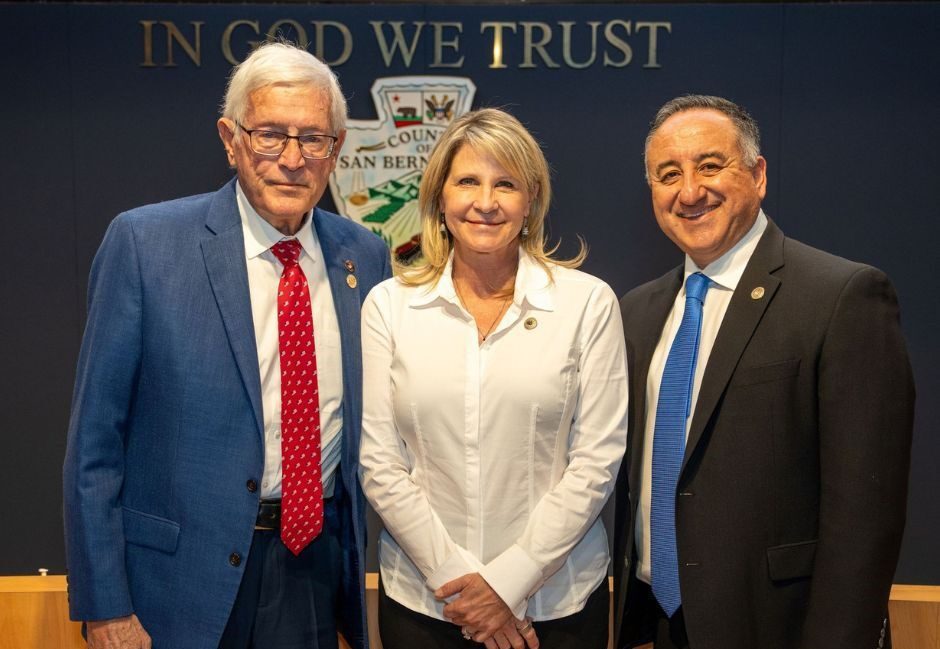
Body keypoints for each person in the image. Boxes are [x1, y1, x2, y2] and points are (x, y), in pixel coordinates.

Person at [62, 42, 391, 649]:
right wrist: (105, 605)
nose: (291, 159)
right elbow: (94, 445)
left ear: (337, 149)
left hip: (311, 573)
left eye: (313, 139)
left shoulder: (364, 256)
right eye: (270, 134)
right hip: (174, 585)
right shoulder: (144, 244)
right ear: (230, 138)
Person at [612, 94, 915, 649]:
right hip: (655, 624)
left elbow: (866, 513)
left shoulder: (841, 296)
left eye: (710, 165)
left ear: (758, 175)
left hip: (783, 627)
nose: (689, 191)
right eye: (668, 174)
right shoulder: (637, 312)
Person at [359, 108, 628, 649]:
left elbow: (597, 461)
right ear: (440, 198)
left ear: (531, 201)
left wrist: (508, 585)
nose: (485, 202)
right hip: (425, 605)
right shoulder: (388, 306)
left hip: (559, 608)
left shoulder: (587, 303)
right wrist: (465, 591)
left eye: (505, 184)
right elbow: (381, 464)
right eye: (467, 182)